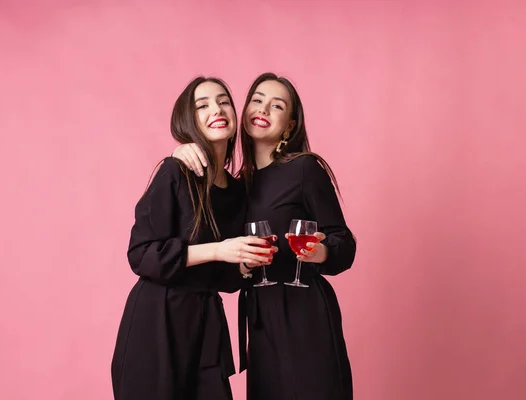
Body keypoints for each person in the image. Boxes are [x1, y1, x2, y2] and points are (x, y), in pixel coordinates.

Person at [172, 73, 357, 399]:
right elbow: (219, 251)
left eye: (277, 105)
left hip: (304, 313)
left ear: (289, 124)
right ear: (243, 114)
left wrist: (321, 252)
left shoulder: (305, 169)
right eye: (257, 100)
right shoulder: (234, 185)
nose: (264, 109)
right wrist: (181, 154)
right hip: (259, 317)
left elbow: (344, 243)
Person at [111, 76, 278, 400]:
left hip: (206, 329)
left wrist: (243, 265)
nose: (216, 109)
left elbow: (224, 278)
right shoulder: (176, 171)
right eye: (203, 105)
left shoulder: (236, 192)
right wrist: (219, 249)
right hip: (157, 323)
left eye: (223, 101)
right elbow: (142, 254)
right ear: (189, 119)